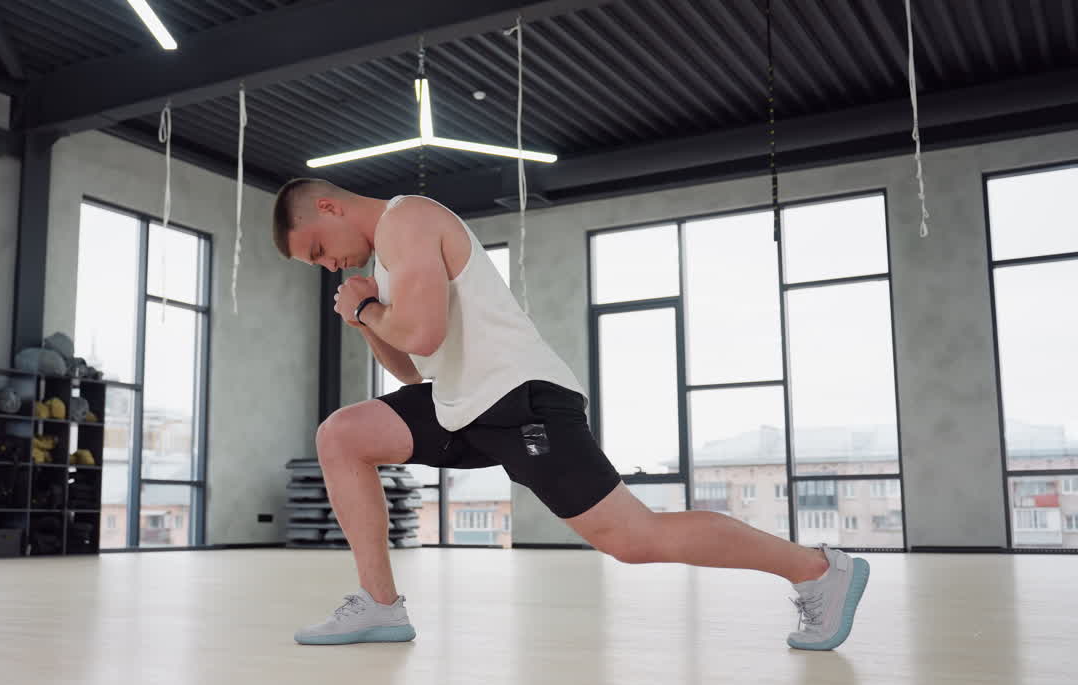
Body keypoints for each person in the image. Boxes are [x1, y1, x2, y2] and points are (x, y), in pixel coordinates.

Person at [271, 178, 869, 650]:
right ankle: (379, 603)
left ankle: (818, 571)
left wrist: (370, 311)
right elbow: (413, 372)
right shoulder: (381, 266)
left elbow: (423, 334)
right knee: (344, 435)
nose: (328, 266)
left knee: (634, 540)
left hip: (520, 397)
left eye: (319, 250)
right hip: (464, 403)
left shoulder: (409, 219)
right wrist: (365, 315)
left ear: (329, 206)